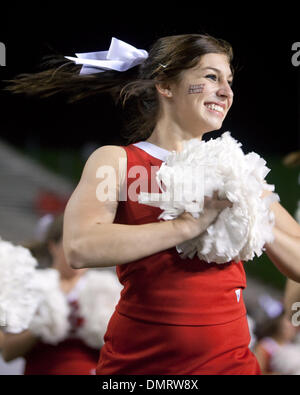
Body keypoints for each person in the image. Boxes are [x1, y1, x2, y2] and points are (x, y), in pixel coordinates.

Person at [5, 34, 300, 374]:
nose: (226, 91)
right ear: (166, 85)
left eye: (229, 81)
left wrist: (251, 209)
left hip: (230, 365)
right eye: (210, 77)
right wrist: (185, 226)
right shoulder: (116, 162)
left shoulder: (239, 171)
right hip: (141, 366)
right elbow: (80, 246)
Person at [1, 214, 120, 375]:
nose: (81, 251)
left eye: (88, 245)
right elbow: (8, 352)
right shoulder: (31, 285)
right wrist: (40, 326)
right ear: (53, 246)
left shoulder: (106, 289)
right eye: (74, 243)